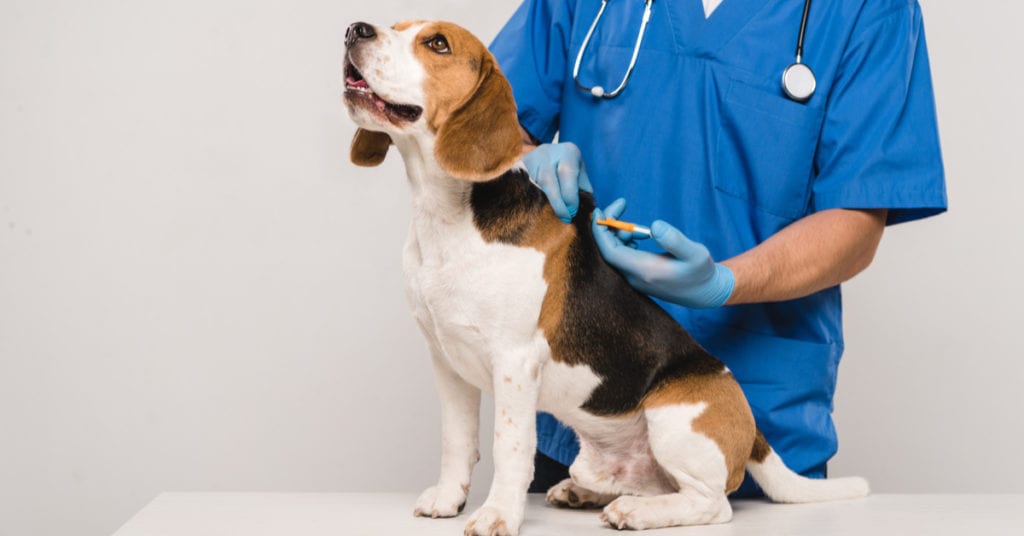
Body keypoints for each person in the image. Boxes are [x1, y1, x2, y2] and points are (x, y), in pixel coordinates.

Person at [489, 0, 947, 496]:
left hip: (750, 426)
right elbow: (486, 123)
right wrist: (528, 159)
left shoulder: (867, 10)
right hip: (586, 412)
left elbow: (856, 222)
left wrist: (722, 283)